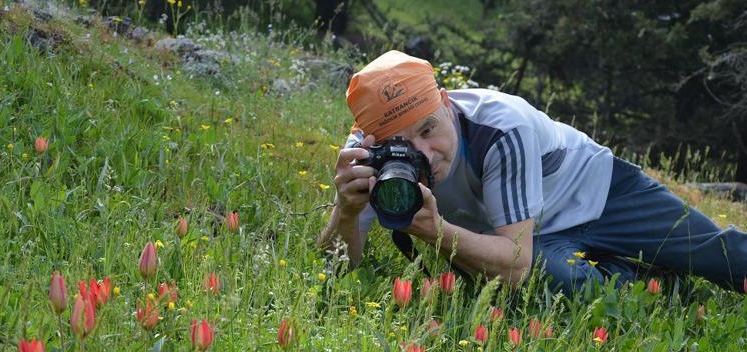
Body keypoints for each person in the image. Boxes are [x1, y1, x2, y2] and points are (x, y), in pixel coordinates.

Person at [318, 50, 747, 296]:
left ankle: (659, 267)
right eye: (405, 145)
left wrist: (435, 232)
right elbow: (334, 269)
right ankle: (650, 284)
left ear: (446, 103)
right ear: (373, 141)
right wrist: (347, 211)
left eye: (429, 129)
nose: (424, 154)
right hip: (532, 235)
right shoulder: (373, 160)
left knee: (712, 252)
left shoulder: (502, 125)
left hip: (599, 191)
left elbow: (514, 261)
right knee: (554, 285)